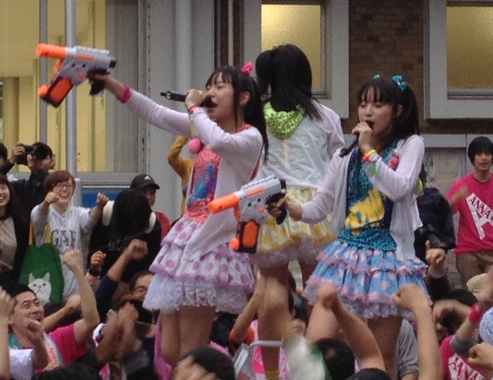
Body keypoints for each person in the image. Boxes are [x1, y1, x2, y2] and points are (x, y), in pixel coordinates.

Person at [89, 63, 267, 365]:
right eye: (208, 87)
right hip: (186, 235)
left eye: (219, 86)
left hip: (212, 240)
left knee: (190, 349)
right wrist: (111, 84)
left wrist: (195, 109)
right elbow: (156, 113)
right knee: (170, 349)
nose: (210, 92)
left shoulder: (250, 138)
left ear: (243, 97)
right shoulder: (205, 127)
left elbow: (219, 141)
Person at [270, 74, 426, 380]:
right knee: (315, 347)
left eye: (377, 104)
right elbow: (320, 206)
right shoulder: (344, 156)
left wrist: (369, 152)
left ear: (397, 110)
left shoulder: (410, 145)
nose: (367, 111)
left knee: (381, 357)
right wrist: (290, 208)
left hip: (388, 259)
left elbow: (399, 187)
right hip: (345, 257)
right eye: (363, 104)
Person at [251, 45, 344, 380]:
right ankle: (322, 366)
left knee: (271, 288)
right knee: (320, 290)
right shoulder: (324, 116)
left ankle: (271, 374)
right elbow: (340, 163)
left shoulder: (257, 115)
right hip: (314, 208)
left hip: (271, 204)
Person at [7, 249, 100, 371]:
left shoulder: (57, 339)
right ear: (9, 318)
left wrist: (77, 271)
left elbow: (91, 321)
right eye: (26, 306)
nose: (35, 309)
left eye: (37, 303)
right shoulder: (1, 353)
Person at [447, 136, 493, 287]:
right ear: (473, 158)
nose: (484, 158)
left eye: (487, 154)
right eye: (479, 154)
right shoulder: (461, 184)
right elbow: (445, 213)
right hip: (468, 251)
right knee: (472, 294)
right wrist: (454, 199)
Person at [31, 170, 108, 299]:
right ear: (49, 189)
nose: (64, 189)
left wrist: (100, 207)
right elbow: (38, 217)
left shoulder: (77, 213)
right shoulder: (42, 211)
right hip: (47, 285)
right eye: (59, 185)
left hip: (73, 286)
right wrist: (46, 203)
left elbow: (89, 220)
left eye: (68, 185)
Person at [0, 141, 55, 225]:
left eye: (44, 157)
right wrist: (11, 161)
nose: (39, 160)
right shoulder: (21, 187)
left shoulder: (55, 184)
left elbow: (52, 183)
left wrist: (37, 170)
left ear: (52, 162)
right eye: (37, 156)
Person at [414, 166, 455, 263]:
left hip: (429, 255)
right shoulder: (395, 200)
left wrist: (441, 247)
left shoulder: (433, 198)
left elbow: (446, 226)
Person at [167, 135, 194, 216]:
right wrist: (185, 135)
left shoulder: (215, 166)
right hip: (186, 217)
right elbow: (172, 157)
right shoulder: (188, 165)